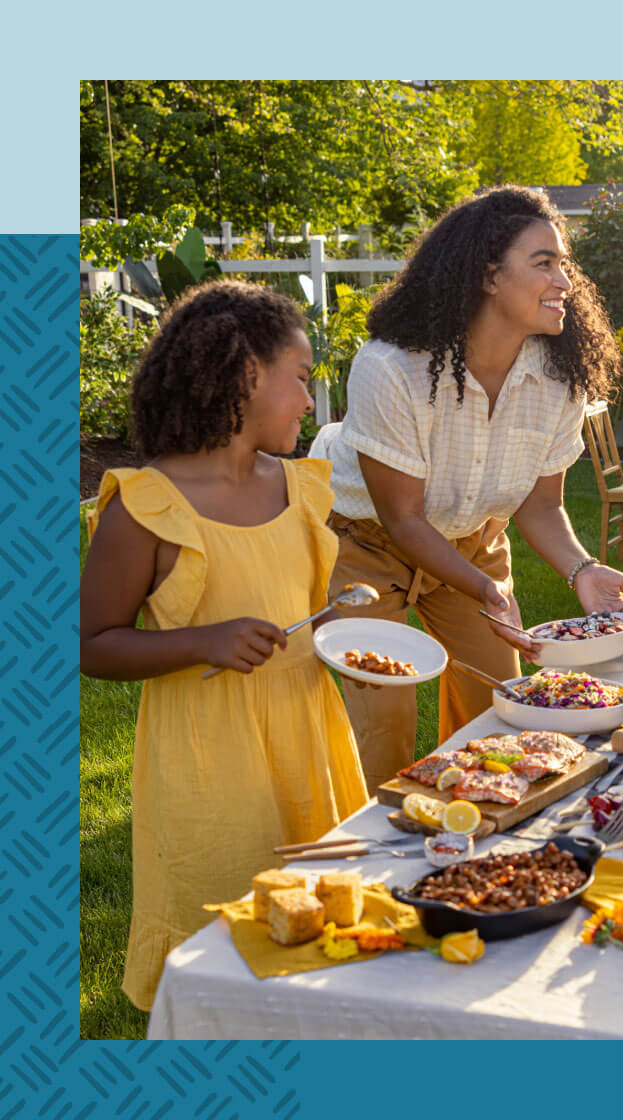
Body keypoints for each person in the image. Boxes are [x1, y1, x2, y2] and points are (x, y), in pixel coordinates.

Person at [80, 280, 369, 1011]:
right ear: (246, 376)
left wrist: (341, 643)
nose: (310, 402)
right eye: (300, 380)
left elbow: (301, 614)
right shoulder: (148, 506)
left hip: (307, 739)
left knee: (323, 935)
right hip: (209, 761)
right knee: (225, 958)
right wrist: (203, 641)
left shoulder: (301, 490)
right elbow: (92, 643)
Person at [322, 186, 623, 791]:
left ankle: (476, 834)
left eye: (565, 264)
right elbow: (403, 519)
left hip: (473, 543)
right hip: (368, 548)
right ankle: (365, 862)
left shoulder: (561, 377)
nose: (564, 281)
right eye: (543, 263)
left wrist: (583, 571)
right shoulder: (392, 366)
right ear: (488, 276)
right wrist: (489, 592)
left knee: (498, 709)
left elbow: (542, 504)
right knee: (382, 727)